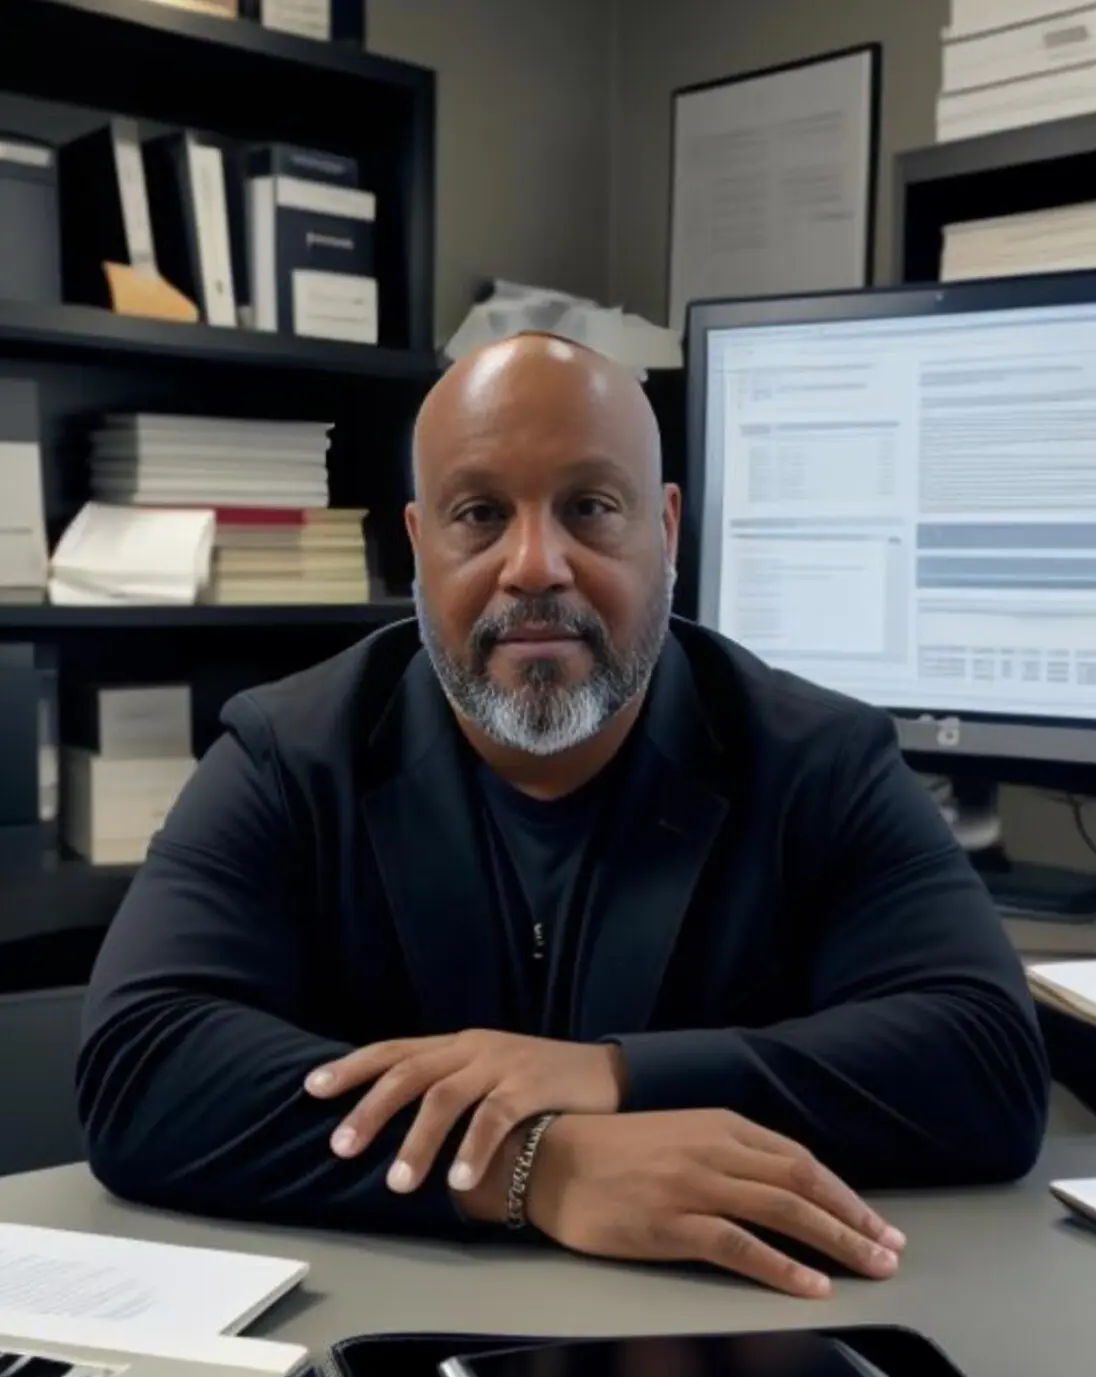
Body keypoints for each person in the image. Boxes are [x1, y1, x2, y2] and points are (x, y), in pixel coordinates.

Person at [78, 333, 1049, 1300]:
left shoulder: (815, 759)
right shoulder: (289, 755)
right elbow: (143, 1067)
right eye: (480, 514)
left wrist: (610, 1076)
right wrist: (537, 1168)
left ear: (665, 530)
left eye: (589, 508)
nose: (535, 565)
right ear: (418, 545)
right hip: (387, 1317)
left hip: (727, 1343)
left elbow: (984, 1064)